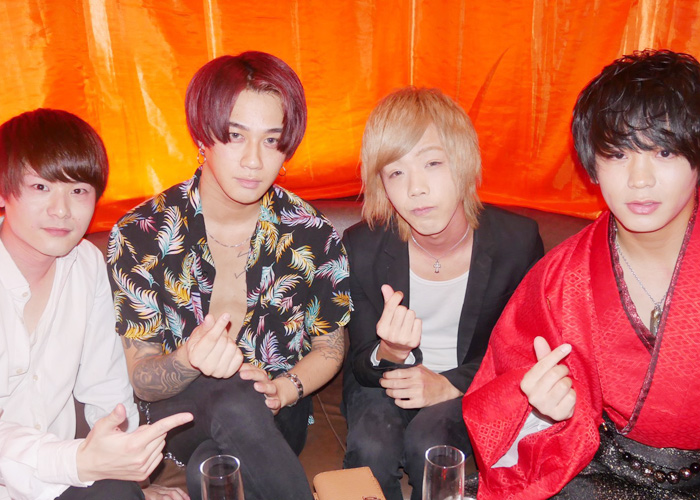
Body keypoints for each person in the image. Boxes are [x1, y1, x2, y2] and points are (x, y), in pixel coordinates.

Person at [107, 51, 351, 500]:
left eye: (272, 140)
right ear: (203, 135)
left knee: (212, 467)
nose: (254, 161)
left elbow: (330, 345)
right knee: (234, 395)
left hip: (277, 415)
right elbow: (142, 377)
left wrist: (284, 388)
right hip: (182, 414)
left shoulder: (311, 233)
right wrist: (189, 360)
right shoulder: (141, 234)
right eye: (236, 136)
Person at [462, 49, 700, 500]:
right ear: (592, 163)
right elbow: (498, 406)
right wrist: (541, 413)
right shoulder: (559, 281)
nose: (640, 179)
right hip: (595, 473)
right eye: (618, 153)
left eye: (665, 150)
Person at [341, 86, 544, 500]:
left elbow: (522, 350)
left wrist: (452, 385)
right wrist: (390, 350)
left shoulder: (516, 242)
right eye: (395, 172)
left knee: (433, 446)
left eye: (432, 163)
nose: (415, 188)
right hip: (384, 382)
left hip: (469, 383)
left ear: (464, 161)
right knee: (371, 446)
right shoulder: (363, 245)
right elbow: (361, 362)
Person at [0, 108, 192, 500]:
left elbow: (107, 389)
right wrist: (79, 462)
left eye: (78, 191)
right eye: (40, 187)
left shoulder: (86, 264)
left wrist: (131, 474)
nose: (61, 210)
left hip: (54, 478)